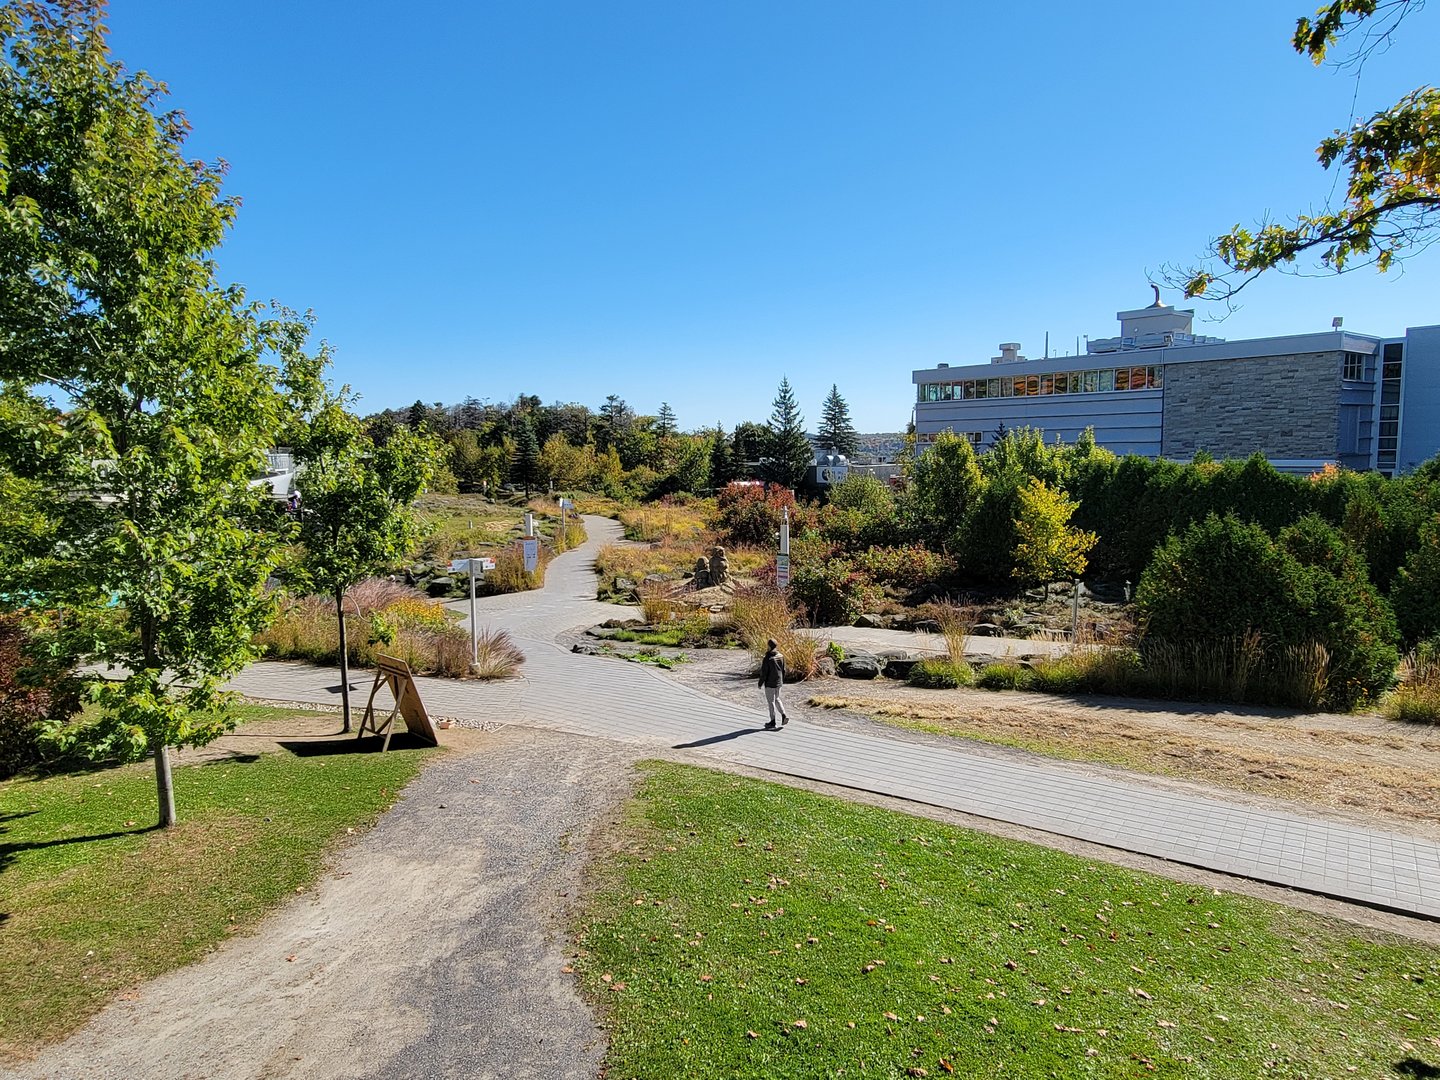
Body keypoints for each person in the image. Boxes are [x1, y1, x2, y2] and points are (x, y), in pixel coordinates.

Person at [758, 638, 789, 730]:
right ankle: (784, 715)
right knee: (777, 699)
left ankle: (773, 721)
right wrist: (781, 680)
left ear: (769, 646)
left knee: (771, 702)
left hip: (770, 683)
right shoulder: (781, 656)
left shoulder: (768, 658)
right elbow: (784, 670)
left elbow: (764, 673)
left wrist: (760, 683)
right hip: (779, 682)